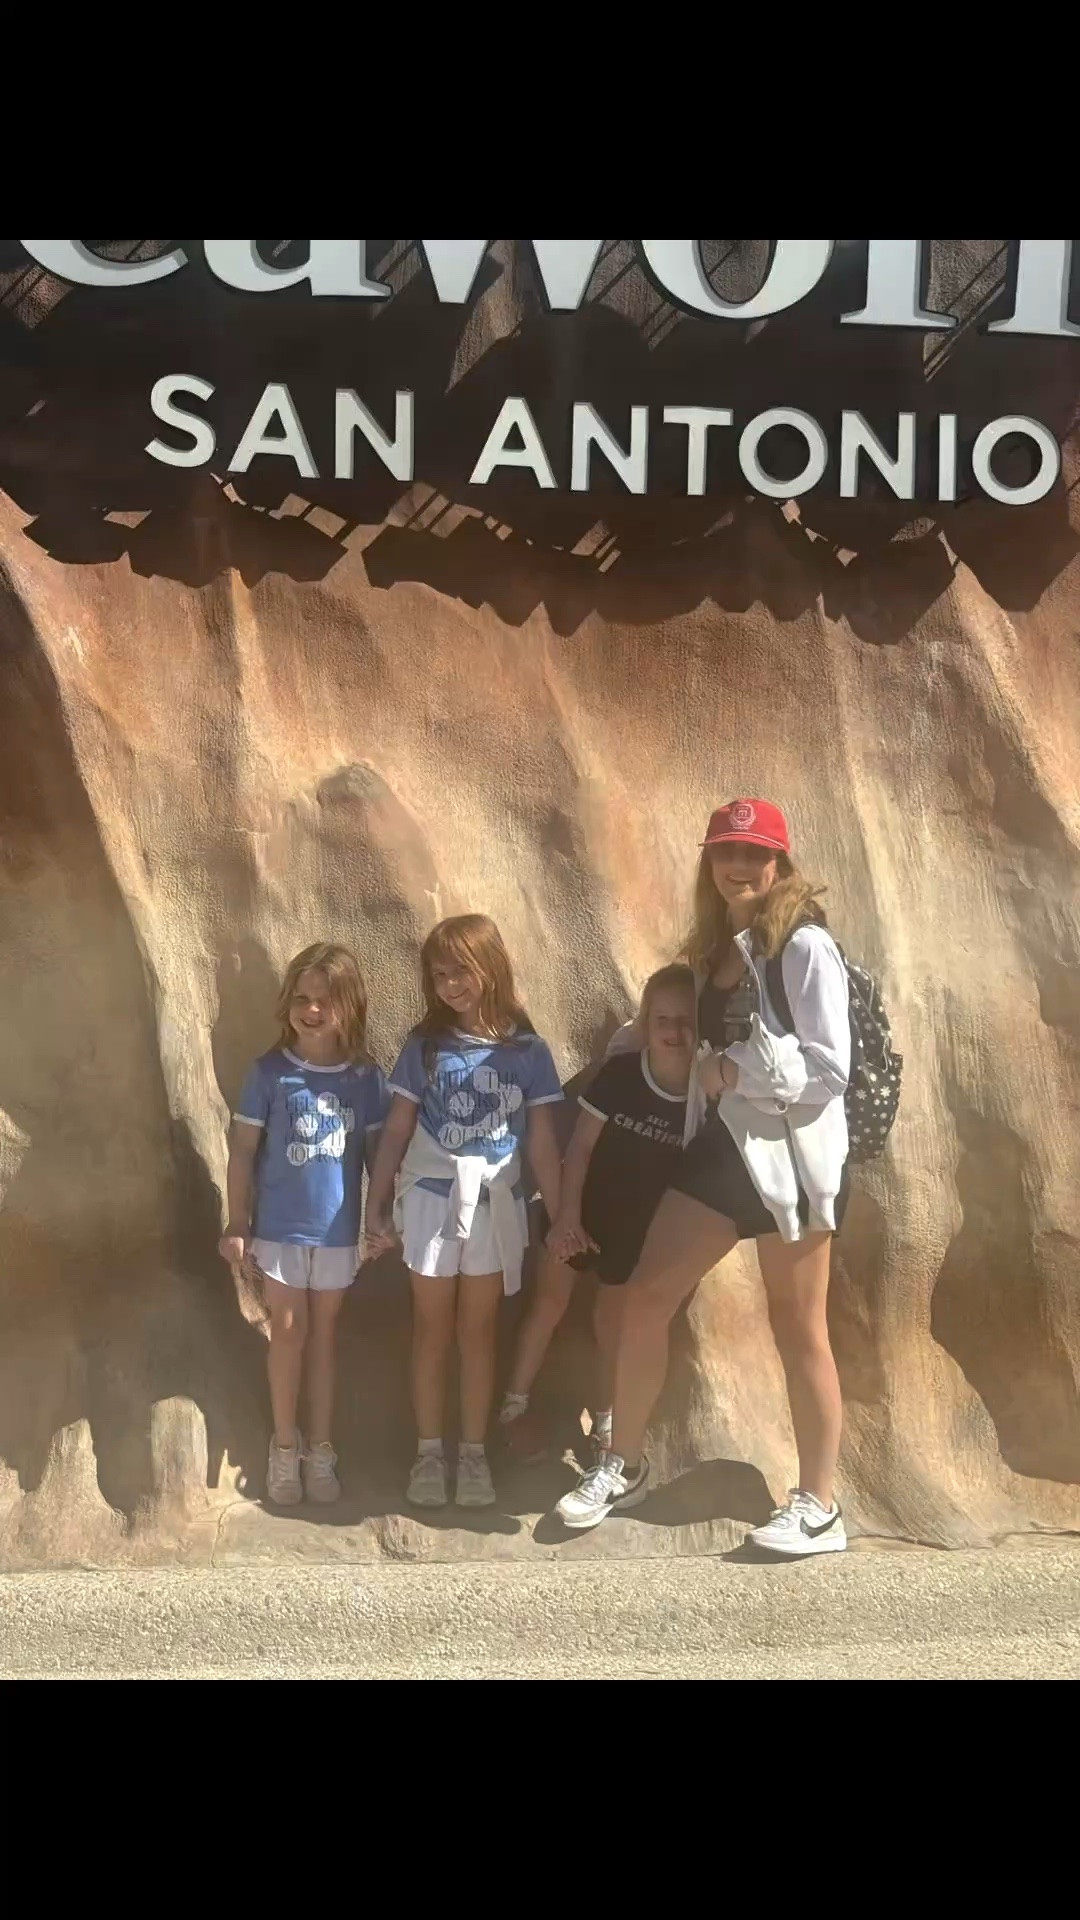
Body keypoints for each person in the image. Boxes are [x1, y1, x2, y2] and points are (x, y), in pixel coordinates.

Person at [556, 799, 853, 1554]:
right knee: (644, 1299)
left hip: (794, 1163)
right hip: (726, 1156)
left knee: (800, 1330)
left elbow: (829, 1069)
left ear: (781, 862)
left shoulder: (804, 947)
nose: (738, 866)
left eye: (754, 853)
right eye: (726, 850)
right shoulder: (719, 947)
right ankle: (621, 1463)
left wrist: (734, 1068)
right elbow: (678, 1029)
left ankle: (819, 1507)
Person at [363, 914, 563, 1510]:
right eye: (439, 974)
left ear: (491, 966)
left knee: (478, 1333)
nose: (451, 984)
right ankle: (429, 1452)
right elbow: (397, 1129)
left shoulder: (528, 1051)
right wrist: (377, 1205)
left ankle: (473, 1455)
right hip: (429, 1199)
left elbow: (544, 1143)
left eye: (461, 970)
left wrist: (563, 1215)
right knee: (430, 1330)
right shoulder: (424, 1047)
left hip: (495, 1204)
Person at [497, 965, 697, 1464]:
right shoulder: (623, 1075)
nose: (674, 1032)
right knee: (548, 1305)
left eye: (686, 1022)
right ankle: (511, 1409)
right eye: (663, 1020)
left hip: (637, 1231)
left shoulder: (703, 1095)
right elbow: (580, 1147)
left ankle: (605, 1425)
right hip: (582, 1209)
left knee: (614, 1325)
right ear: (646, 1023)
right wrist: (566, 1217)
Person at [219, 943, 389, 1508]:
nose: (312, 1010)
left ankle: (323, 1448)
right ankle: (284, 1446)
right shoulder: (270, 1073)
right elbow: (243, 1151)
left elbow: (376, 1160)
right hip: (280, 1230)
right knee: (288, 1331)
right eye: (302, 998)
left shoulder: (366, 1079)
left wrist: (380, 1218)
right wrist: (237, 1222)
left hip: (339, 1235)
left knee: (324, 1340)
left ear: (350, 1005)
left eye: (325, 1000)